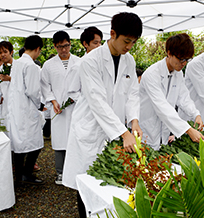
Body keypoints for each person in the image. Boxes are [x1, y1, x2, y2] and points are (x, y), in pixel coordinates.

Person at [62, 12, 143, 218]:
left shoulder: (129, 60)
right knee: (86, 181)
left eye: (133, 43)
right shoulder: (90, 61)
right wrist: (124, 133)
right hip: (89, 127)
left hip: (114, 127)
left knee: (107, 178)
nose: (129, 47)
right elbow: (97, 101)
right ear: (112, 34)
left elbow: (133, 91)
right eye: (126, 41)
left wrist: (134, 120)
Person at [139, 33, 204, 150]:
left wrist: (196, 114)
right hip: (146, 133)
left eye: (187, 60)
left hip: (163, 135)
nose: (183, 63)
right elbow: (162, 107)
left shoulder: (178, 74)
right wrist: (188, 130)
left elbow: (183, 98)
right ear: (169, 53)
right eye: (181, 59)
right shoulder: (152, 74)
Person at [40, 30, 80, 185]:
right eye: (60, 47)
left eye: (67, 45)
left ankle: (75, 171)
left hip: (75, 108)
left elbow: (84, 85)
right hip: (58, 109)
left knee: (74, 139)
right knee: (59, 141)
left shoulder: (79, 62)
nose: (64, 49)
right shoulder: (48, 65)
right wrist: (53, 101)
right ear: (54, 47)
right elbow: (45, 85)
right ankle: (60, 172)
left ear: (70, 44)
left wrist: (74, 98)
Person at [7, 35, 45, 185]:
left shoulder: (16, 63)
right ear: (37, 49)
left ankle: (18, 176)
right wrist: (40, 105)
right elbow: (33, 91)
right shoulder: (31, 66)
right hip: (27, 108)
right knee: (36, 143)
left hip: (17, 108)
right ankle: (26, 173)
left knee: (18, 143)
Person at [0, 41, 14, 132]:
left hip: (18, 105)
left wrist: (10, 79)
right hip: (5, 107)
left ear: (11, 52)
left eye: (5, 52)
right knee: (6, 132)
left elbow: (26, 84)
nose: (3, 55)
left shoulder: (20, 67)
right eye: (0, 53)